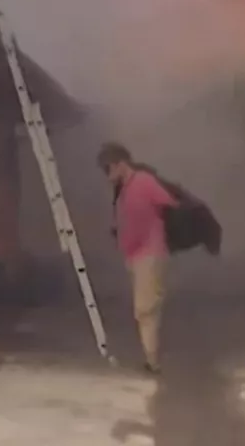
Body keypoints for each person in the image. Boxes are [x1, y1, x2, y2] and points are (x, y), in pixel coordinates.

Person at [97, 142, 176, 374]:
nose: (107, 175)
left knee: (145, 308)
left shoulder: (143, 182)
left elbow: (168, 205)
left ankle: (152, 361)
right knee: (146, 308)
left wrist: (157, 229)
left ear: (121, 164)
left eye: (108, 168)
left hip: (148, 254)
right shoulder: (127, 188)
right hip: (138, 254)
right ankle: (151, 358)